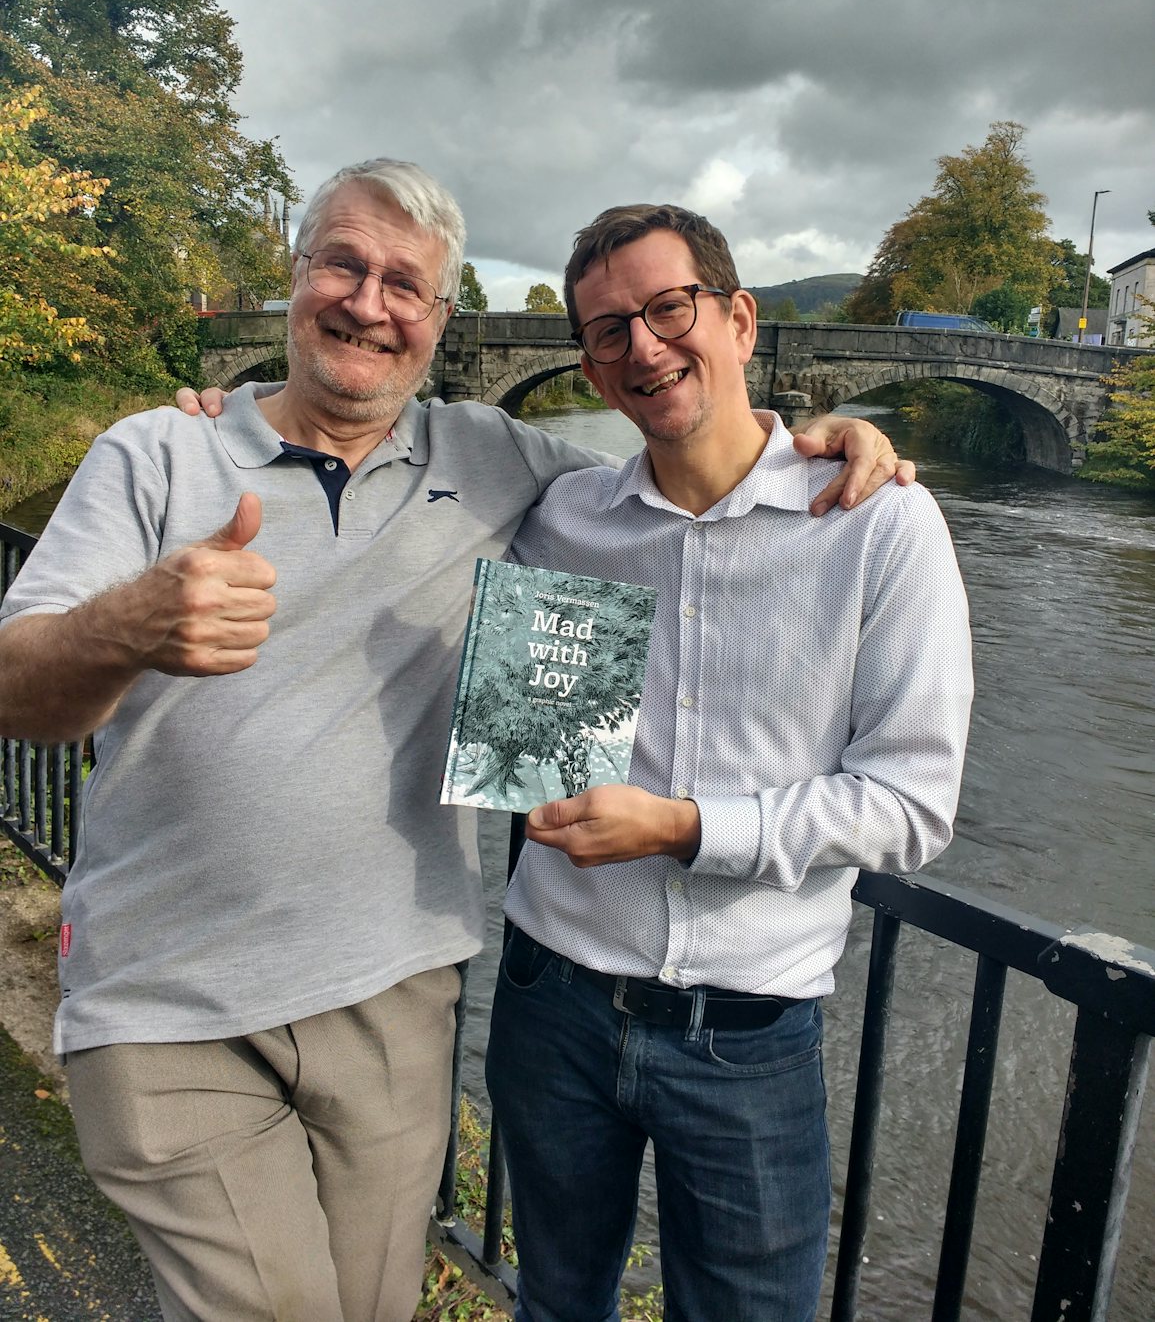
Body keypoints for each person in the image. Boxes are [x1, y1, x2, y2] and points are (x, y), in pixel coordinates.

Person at [0, 160, 908, 1322]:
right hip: (166, 1001)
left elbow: (684, 474)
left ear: (440, 322)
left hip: (392, 998)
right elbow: (19, 693)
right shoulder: (155, 456)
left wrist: (815, 442)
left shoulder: (498, 463)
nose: (368, 303)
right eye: (343, 264)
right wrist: (128, 621)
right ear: (294, 280)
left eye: (404, 285)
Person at [484, 204, 973, 1322]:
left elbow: (912, 803)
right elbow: (390, 464)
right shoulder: (562, 516)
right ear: (593, 375)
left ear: (740, 318)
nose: (645, 347)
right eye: (609, 332)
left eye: (669, 309)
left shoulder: (878, 522)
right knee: (557, 1301)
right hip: (551, 993)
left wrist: (685, 827)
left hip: (747, 1030)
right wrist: (236, 418)